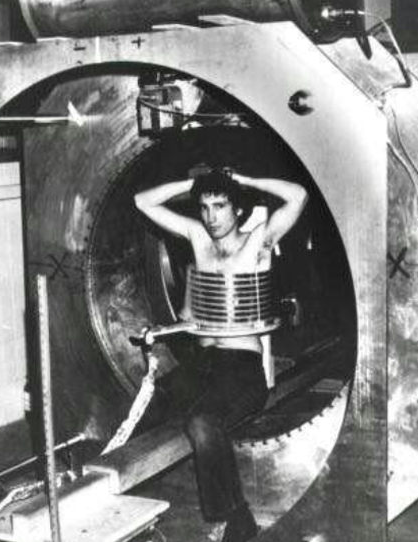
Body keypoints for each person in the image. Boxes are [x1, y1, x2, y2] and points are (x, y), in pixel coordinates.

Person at [135, 168, 307, 542]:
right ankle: (133, 513)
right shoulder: (198, 237)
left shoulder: (257, 242)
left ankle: (238, 518)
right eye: (204, 207)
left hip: (240, 368)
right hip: (201, 366)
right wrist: (193, 183)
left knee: (202, 422)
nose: (211, 216)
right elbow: (142, 201)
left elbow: (297, 194)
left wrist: (245, 180)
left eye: (220, 206)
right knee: (149, 410)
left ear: (238, 209)